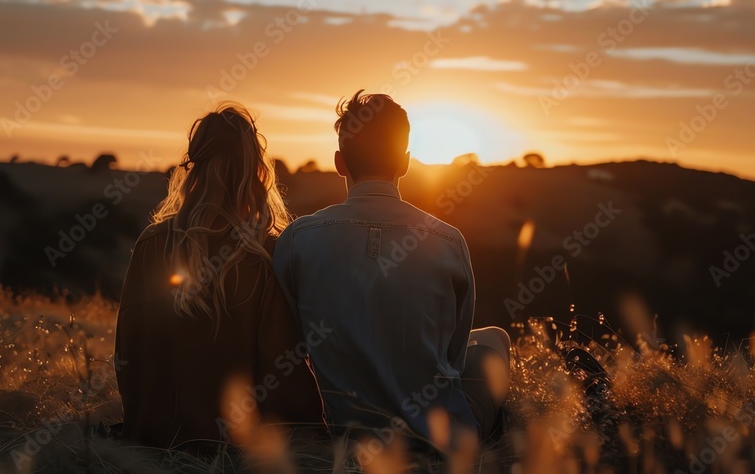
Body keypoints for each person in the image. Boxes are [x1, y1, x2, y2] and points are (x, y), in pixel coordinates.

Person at [273, 90, 510, 450]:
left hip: (345, 437)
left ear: (340, 162)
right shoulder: (448, 241)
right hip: (438, 440)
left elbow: (290, 343)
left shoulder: (296, 241)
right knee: (494, 339)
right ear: (405, 162)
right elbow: (453, 358)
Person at [115, 103, 324, 451]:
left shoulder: (153, 243)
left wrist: (142, 433)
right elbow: (281, 368)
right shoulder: (267, 254)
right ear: (257, 169)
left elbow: (129, 354)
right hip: (238, 451)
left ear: (193, 166)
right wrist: (314, 437)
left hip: (155, 446)